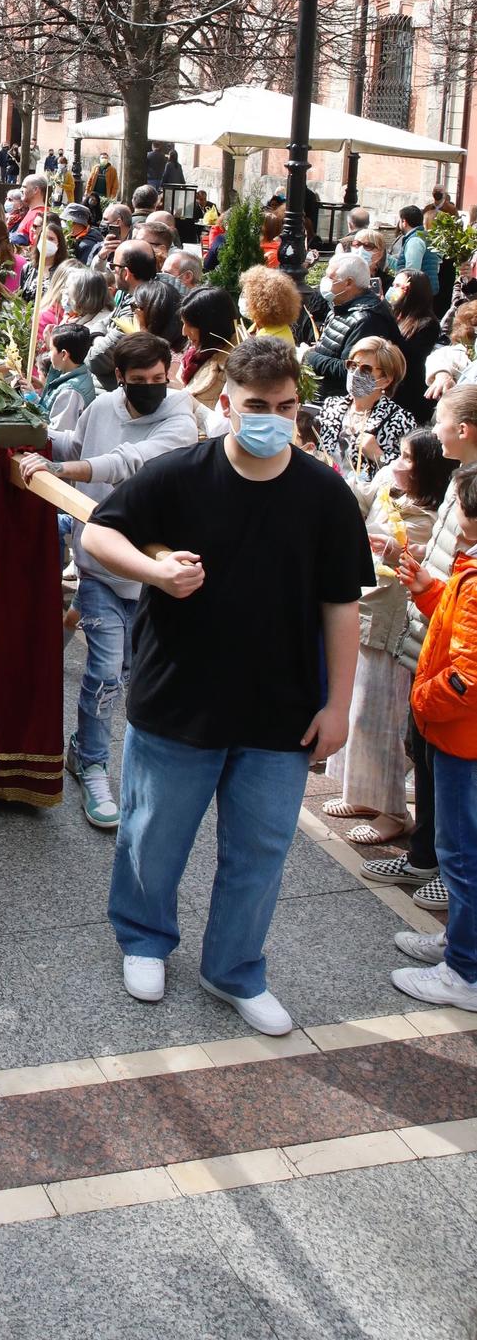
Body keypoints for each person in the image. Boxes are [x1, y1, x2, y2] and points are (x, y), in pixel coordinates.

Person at [78, 336, 370, 1033]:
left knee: (261, 850)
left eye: (285, 405)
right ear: (225, 405)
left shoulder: (322, 492)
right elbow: (99, 534)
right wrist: (153, 572)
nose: (271, 417)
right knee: (153, 835)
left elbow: (341, 604)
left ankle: (234, 968)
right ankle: (144, 939)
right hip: (178, 694)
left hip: (280, 707)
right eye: (256, 405)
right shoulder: (180, 474)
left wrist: (337, 704)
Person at [17, 332, 200, 830]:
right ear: (119, 378)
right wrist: (26, 424)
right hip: (98, 567)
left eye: (158, 380)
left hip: (150, 574)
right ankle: (92, 761)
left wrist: (62, 465)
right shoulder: (101, 407)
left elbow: (127, 465)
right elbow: (76, 444)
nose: (150, 388)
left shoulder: (182, 418)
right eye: (138, 381)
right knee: (103, 671)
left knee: (134, 674)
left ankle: (98, 754)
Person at [323, 429, 448, 843]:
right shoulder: (387, 490)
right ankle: (362, 794)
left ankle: (393, 812)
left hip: (394, 625)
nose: (397, 461)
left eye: (408, 458)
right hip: (365, 610)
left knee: (377, 719)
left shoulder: (430, 518)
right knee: (356, 709)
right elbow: (357, 496)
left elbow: (420, 567)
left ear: (426, 471)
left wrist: (396, 552)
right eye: (399, 454)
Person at [390, 464, 477, 1012]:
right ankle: (458, 943)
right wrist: (429, 591)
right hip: (461, 737)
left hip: (463, 740)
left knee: (462, 856)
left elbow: (467, 674)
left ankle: (463, 972)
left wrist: (423, 703)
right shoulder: (467, 575)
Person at [306, 252, 403, 402]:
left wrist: (309, 357)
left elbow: (352, 370)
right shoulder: (341, 306)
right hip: (326, 396)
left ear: (349, 283)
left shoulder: (367, 319)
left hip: (343, 402)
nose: (324, 281)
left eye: (330, 277)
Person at [313, 335, 414, 475]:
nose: (355, 373)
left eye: (365, 369)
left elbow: (406, 475)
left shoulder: (400, 421)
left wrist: (379, 455)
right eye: (352, 365)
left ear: (385, 380)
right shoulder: (332, 405)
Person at [387, 269, 442, 422]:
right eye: (394, 285)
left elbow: (410, 356)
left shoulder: (427, 323)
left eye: (399, 286)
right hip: (392, 387)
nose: (393, 290)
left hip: (410, 393)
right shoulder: (395, 315)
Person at [177, 286, 238, 414]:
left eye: (191, 326)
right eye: (183, 323)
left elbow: (220, 423)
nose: (184, 332)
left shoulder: (236, 367)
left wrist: (183, 398)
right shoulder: (196, 351)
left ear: (211, 326)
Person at [39, 322, 96, 432]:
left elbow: (58, 434)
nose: (49, 354)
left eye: (51, 349)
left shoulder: (71, 392)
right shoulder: (76, 373)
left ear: (64, 354)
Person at [238, 265, 302, 346]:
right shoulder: (280, 329)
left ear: (259, 303)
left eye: (246, 295)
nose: (244, 299)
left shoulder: (266, 342)